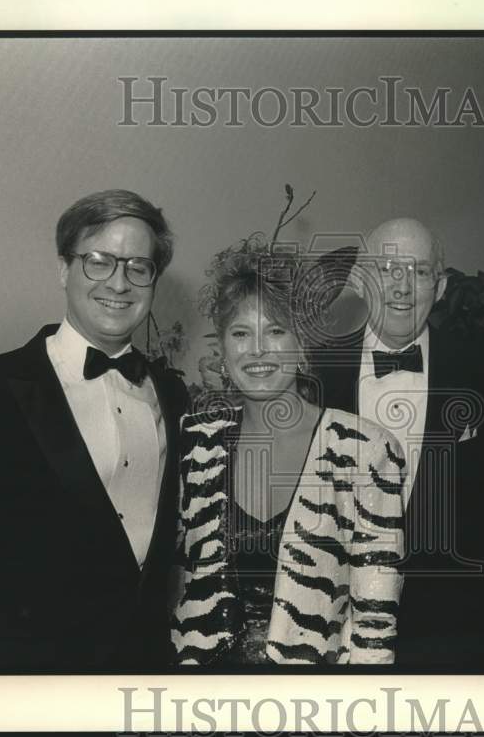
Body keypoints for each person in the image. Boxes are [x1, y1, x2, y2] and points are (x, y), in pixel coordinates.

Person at [0, 190, 190, 671]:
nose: (120, 282)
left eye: (139, 266)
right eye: (99, 261)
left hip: (142, 686)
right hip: (12, 690)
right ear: (63, 269)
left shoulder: (175, 397)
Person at [170, 237, 405, 665]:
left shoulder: (365, 450)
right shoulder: (195, 444)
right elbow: (174, 585)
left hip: (311, 708)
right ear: (222, 350)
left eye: (276, 331)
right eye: (241, 333)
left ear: (303, 344)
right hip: (201, 702)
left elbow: (374, 623)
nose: (257, 349)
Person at [313, 218, 484, 667]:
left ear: (442, 286)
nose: (401, 287)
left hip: (448, 628)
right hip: (331, 618)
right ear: (360, 279)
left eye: (418, 271)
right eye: (386, 268)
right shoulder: (315, 369)